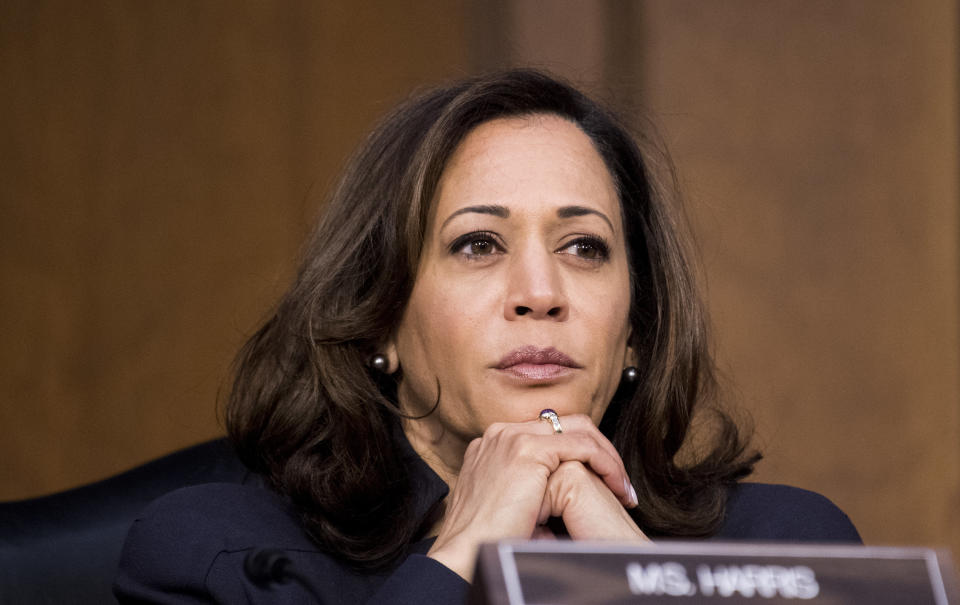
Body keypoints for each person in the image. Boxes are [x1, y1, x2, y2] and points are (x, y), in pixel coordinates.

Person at [114, 69, 859, 604]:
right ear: (380, 317)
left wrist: (638, 580)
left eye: (583, 247)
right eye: (478, 245)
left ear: (636, 330)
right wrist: (462, 550)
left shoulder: (790, 550)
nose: (540, 294)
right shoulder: (220, 555)